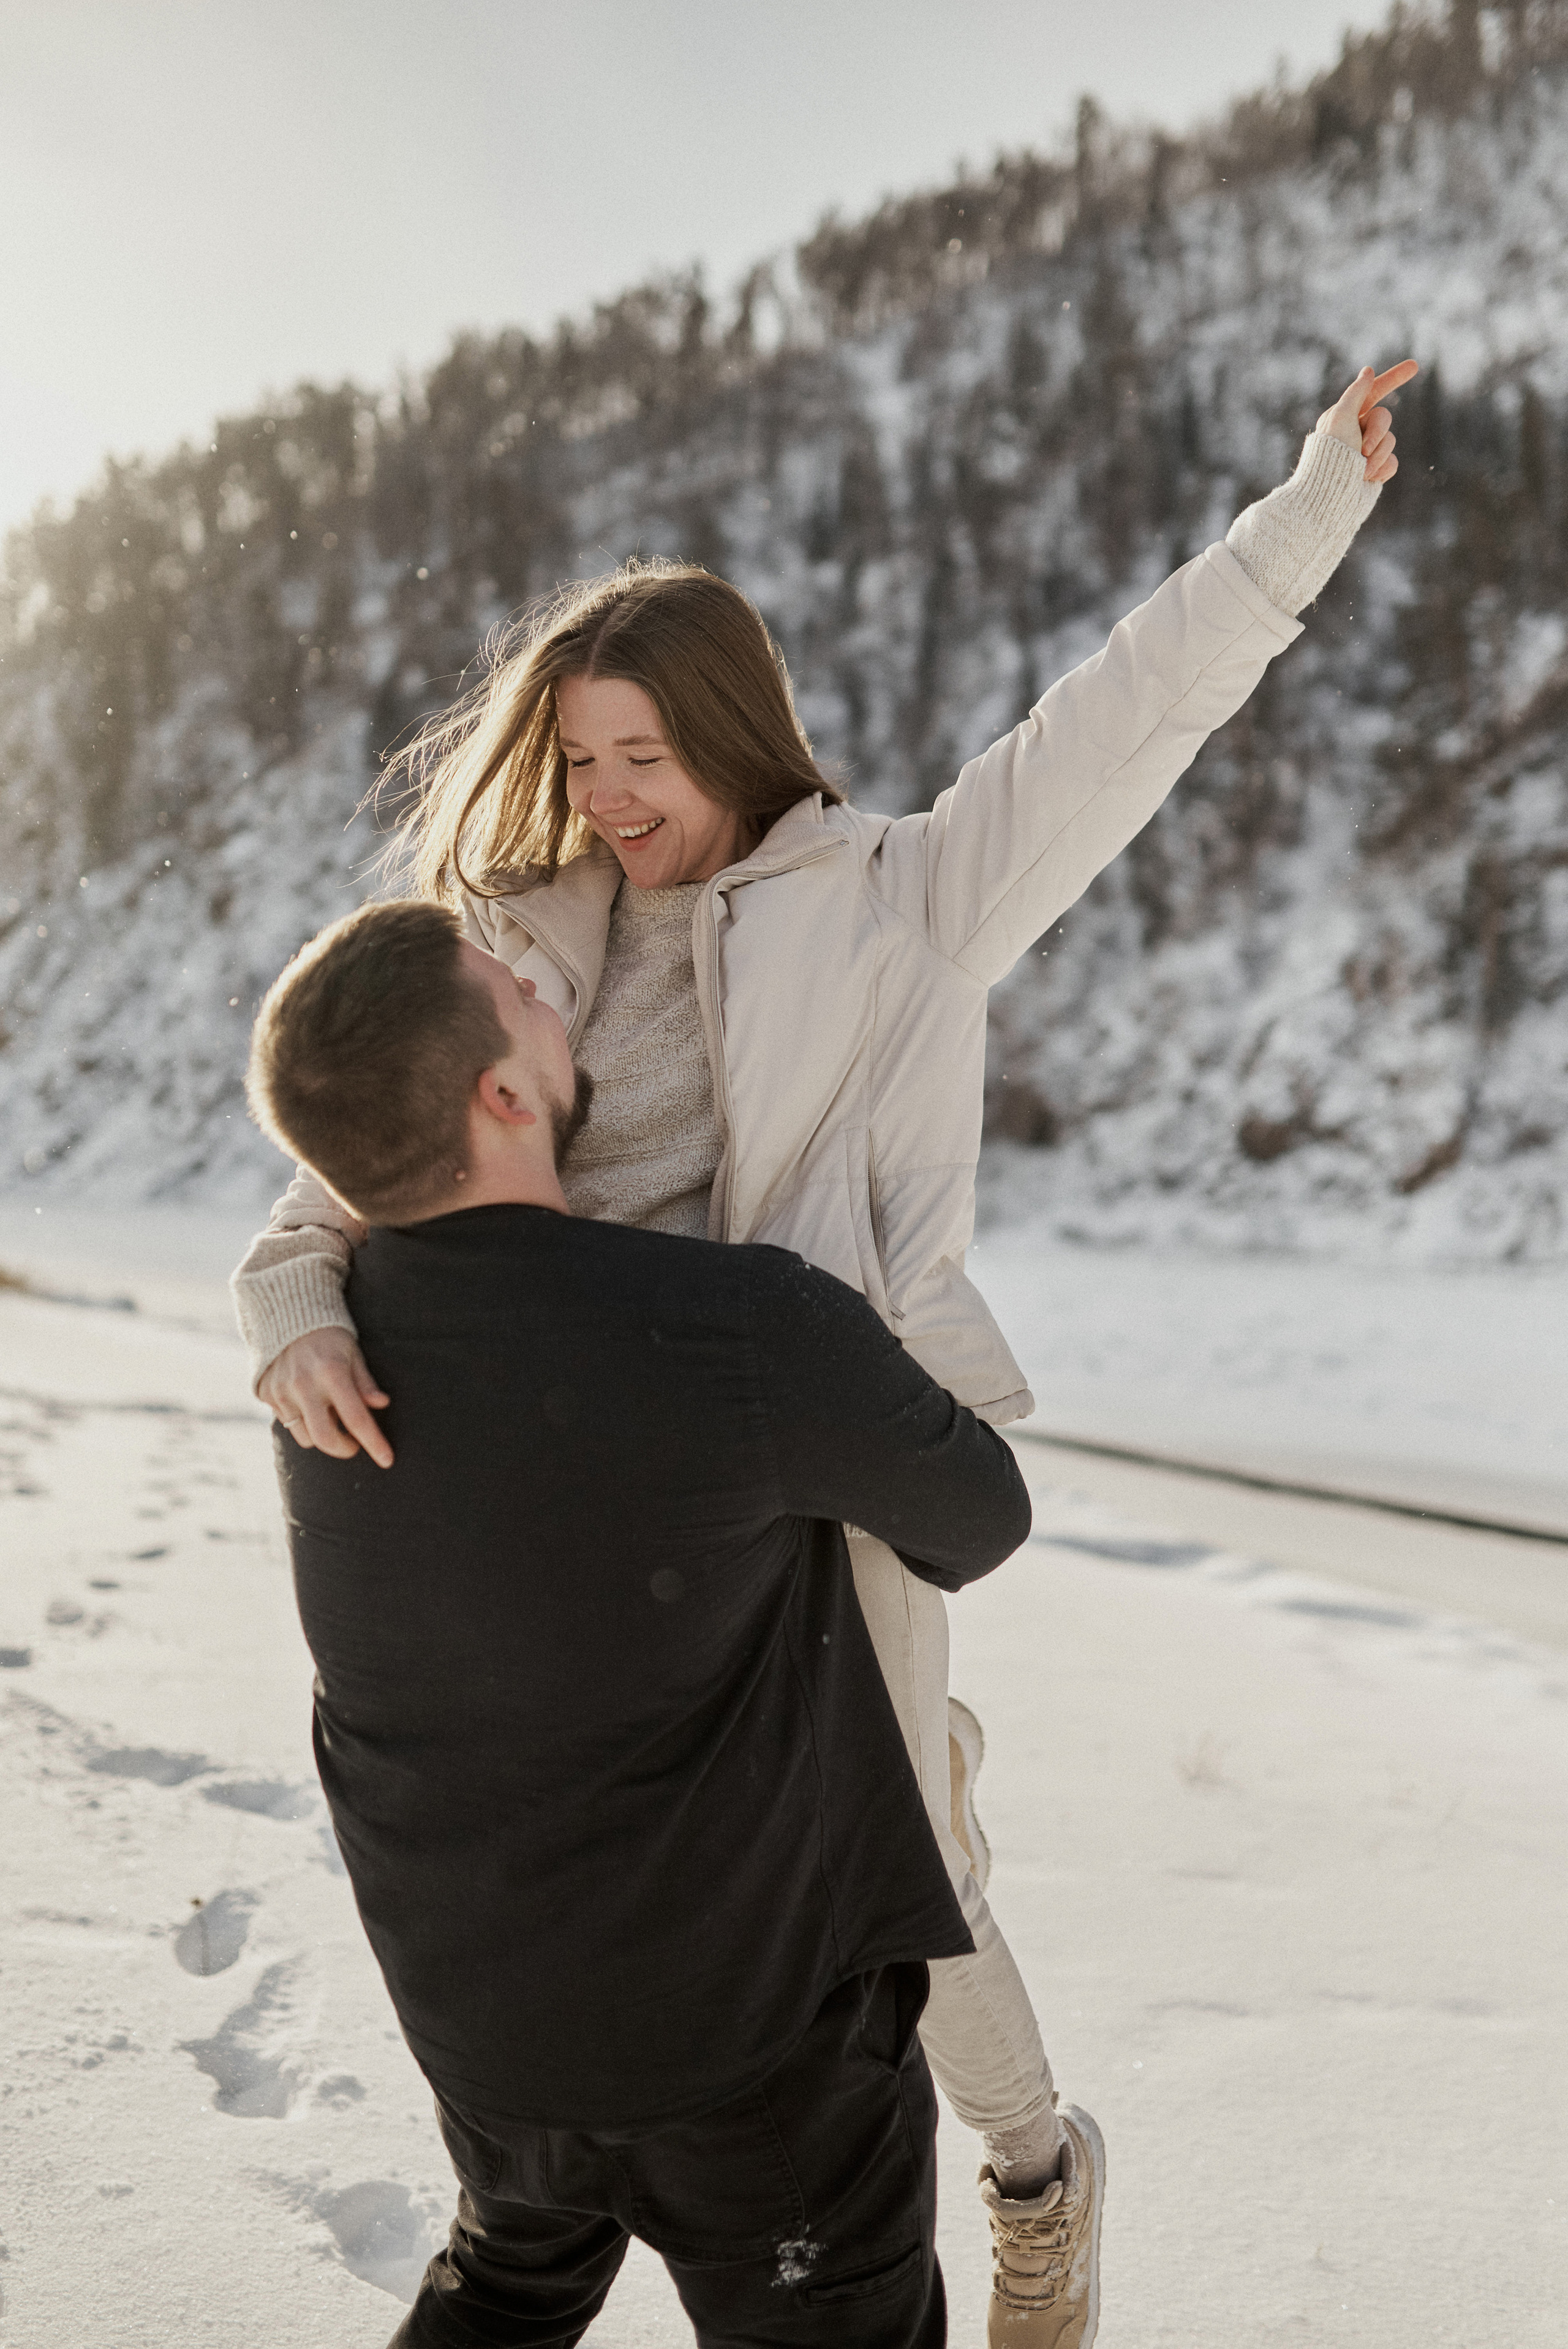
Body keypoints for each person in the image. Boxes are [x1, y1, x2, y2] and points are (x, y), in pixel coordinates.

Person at [233, 361, 1415, 2344]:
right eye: (578, 754)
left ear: (728, 733)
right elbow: (360, 1141)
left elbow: (1128, 715)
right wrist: (290, 1298)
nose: (606, 796)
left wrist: (1305, 514)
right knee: (622, 1872)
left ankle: (1034, 2170)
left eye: (639, 754)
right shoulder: (520, 930)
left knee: (903, 1846)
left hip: (817, 1441)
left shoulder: (903, 903)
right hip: (610, 1481)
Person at [249, 896, 1043, 2348]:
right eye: (524, 992)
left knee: (508, 2280)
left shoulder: (323, 1365)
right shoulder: (742, 1329)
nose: (561, 997)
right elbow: (977, 1518)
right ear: (503, 1094)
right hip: (752, 2063)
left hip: (483, 2035)